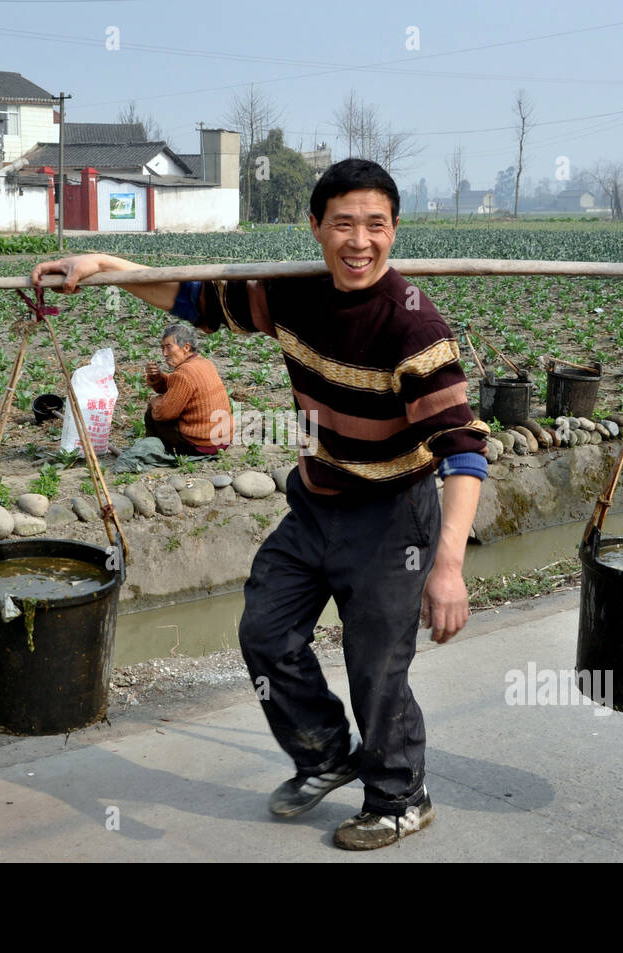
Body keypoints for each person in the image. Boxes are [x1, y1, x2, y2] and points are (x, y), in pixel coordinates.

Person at [30, 158, 488, 850]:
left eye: (375, 225)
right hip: (318, 503)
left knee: (376, 664)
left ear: (394, 231)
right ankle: (326, 750)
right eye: (343, 224)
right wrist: (102, 263)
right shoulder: (292, 295)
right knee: (265, 633)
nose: (358, 241)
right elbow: (195, 298)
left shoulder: (414, 327)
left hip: (394, 515)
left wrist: (448, 561)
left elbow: (463, 451)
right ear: (316, 227)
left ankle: (400, 794)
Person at [142, 324, 233, 456]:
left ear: (186, 347)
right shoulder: (204, 362)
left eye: (168, 347)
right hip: (222, 440)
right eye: (162, 348)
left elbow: (164, 414)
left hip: (203, 445)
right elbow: (179, 388)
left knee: (154, 410)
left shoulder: (183, 373)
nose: (164, 354)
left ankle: (154, 449)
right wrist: (158, 377)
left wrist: (154, 402)